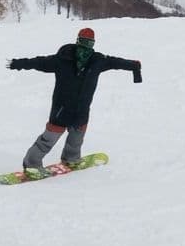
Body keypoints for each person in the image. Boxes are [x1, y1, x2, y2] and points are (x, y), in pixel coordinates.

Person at [7, 27, 142, 175]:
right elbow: (39, 62)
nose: (86, 46)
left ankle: (71, 159)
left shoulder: (98, 61)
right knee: (49, 138)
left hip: (82, 110)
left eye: (89, 43)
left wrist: (134, 66)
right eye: (84, 42)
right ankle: (31, 164)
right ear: (78, 41)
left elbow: (117, 63)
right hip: (62, 109)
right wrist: (18, 63)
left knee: (76, 137)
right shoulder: (62, 59)